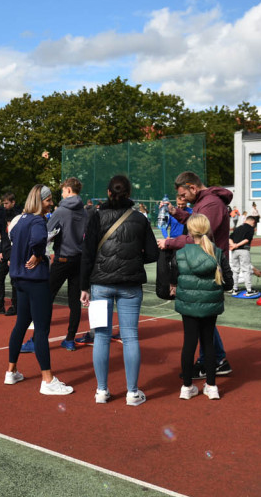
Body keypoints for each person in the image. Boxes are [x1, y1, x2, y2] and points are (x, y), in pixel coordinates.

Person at [80, 175, 158, 406]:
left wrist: (84, 286)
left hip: (100, 284)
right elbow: (153, 253)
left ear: (108, 192)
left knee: (101, 337)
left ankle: (102, 390)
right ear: (129, 192)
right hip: (130, 284)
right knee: (130, 336)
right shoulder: (139, 219)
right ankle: (132, 393)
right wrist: (133, 259)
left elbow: (87, 254)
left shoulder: (95, 216)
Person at [158, 171, 233, 378]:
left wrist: (169, 242)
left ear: (192, 187)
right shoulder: (205, 202)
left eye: (183, 195)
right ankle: (215, 358)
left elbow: (199, 235)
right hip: (204, 264)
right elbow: (195, 222)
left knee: (203, 315)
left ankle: (215, 359)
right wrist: (175, 212)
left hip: (208, 265)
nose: (183, 199)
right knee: (203, 314)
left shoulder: (211, 204)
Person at [5, 185, 72, 396]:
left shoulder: (22, 219)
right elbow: (37, 240)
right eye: (48, 200)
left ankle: (11, 370)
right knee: (42, 329)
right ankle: (47, 379)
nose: (51, 203)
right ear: (39, 201)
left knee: (21, 324)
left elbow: (13, 235)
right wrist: (38, 255)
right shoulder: (37, 220)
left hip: (20, 280)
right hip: (36, 280)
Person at [174, 214, 226, 401]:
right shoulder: (217, 253)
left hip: (188, 304)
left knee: (189, 343)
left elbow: (174, 277)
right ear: (208, 229)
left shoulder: (180, 254)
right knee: (208, 344)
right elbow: (228, 282)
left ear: (189, 231)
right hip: (210, 303)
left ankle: (187, 387)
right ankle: (212, 386)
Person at [45, 177, 88, 351]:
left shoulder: (61, 211)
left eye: (63, 190)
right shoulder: (84, 211)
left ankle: (37, 337)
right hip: (79, 258)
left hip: (63, 257)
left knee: (46, 298)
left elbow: (47, 233)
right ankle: (70, 338)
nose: (61, 194)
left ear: (69, 190)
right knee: (74, 301)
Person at [228, 215, 258, 296]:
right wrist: (237, 245)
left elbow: (230, 238)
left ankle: (234, 289)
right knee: (246, 269)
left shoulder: (238, 227)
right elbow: (246, 240)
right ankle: (249, 290)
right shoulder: (250, 229)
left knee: (235, 270)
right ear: (253, 222)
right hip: (244, 250)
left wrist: (233, 245)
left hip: (234, 251)